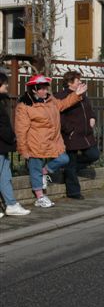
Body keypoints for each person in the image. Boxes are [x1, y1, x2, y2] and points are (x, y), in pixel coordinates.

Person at [15, 74, 87, 207]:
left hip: (53, 141)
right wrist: (23, 149)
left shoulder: (50, 100)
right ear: (34, 89)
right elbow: (21, 130)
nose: (44, 91)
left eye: (45, 88)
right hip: (35, 142)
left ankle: (44, 171)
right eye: (41, 88)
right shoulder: (24, 105)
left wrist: (76, 95)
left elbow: (63, 104)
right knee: (35, 169)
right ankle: (40, 197)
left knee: (64, 159)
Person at [54, 71, 100, 200]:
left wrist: (92, 117)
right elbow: (59, 116)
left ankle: (69, 169)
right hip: (71, 136)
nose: (80, 82)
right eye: (77, 80)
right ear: (70, 83)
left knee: (93, 154)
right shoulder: (61, 96)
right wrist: (70, 130)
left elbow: (89, 110)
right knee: (71, 163)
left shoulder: (83, 95)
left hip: (86, 135)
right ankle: (74, 192)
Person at [0, 72, 30, 217]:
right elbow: (2, 126)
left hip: (3, 146)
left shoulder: (2, 101)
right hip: (2, 144)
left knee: (5, 175)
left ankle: (11, 204)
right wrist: (12, 137)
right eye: (4, 83)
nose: (7, 85)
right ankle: (10, 204)